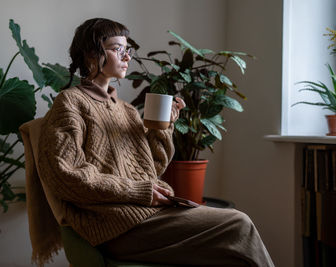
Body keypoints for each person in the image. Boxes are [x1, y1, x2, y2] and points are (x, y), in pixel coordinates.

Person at [37, 18, 274, 266]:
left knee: (233, 250)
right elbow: (66, 176)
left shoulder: (126, 110)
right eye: (118, 49)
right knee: (239, 224)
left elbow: (151, 169)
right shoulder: (70, 103)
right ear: (91, 53)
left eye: (128, 50)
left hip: (148, 217)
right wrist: (138, 191)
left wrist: (164, 127)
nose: (127, 56)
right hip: (117, 227)